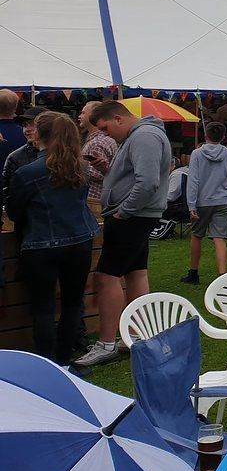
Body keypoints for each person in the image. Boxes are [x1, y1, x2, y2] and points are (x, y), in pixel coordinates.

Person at [74, 101, 171, 367]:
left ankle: (106, 343)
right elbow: (135, 176)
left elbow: (148, 181)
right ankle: (136, 336)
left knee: (106, 277)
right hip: (138, 215)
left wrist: (124, 211)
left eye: (105, 128)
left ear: (118, 118)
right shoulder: (140, 136)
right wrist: (108, 169)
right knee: (136, 272)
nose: (105, 134)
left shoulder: (144, 136)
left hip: (133, 216)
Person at [5, 112, 99, 363]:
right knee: (71, 304)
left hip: (42, 244)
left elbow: (14, 211)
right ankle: (65, 361)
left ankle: (48, 363)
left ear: (41, 135)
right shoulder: (81, 167)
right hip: (80, 240)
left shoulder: (27, 172)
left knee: (43, 308)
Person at [180, 120, 227, 285]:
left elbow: (193, 180)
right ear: (223, 137)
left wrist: (191, 204)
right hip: (223, 200)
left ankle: (193, 272)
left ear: (205, 135)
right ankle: (222, 275)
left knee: (197, 235)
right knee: (220, 238)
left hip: (202, 201)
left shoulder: (197, 154)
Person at [78, 101, 117, 216]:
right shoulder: (101, 139)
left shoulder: (98, 142)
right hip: (101, 199)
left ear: (94, 116)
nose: (79, 116)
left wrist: (72, 169)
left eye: (83, 113)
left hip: (95, 201)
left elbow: (98, 175)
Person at [0, 112, 40, 205]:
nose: (27, 129)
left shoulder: (65, 153)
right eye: (25, 125)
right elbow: (9, 192)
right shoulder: (15, 157)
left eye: (33, 124)